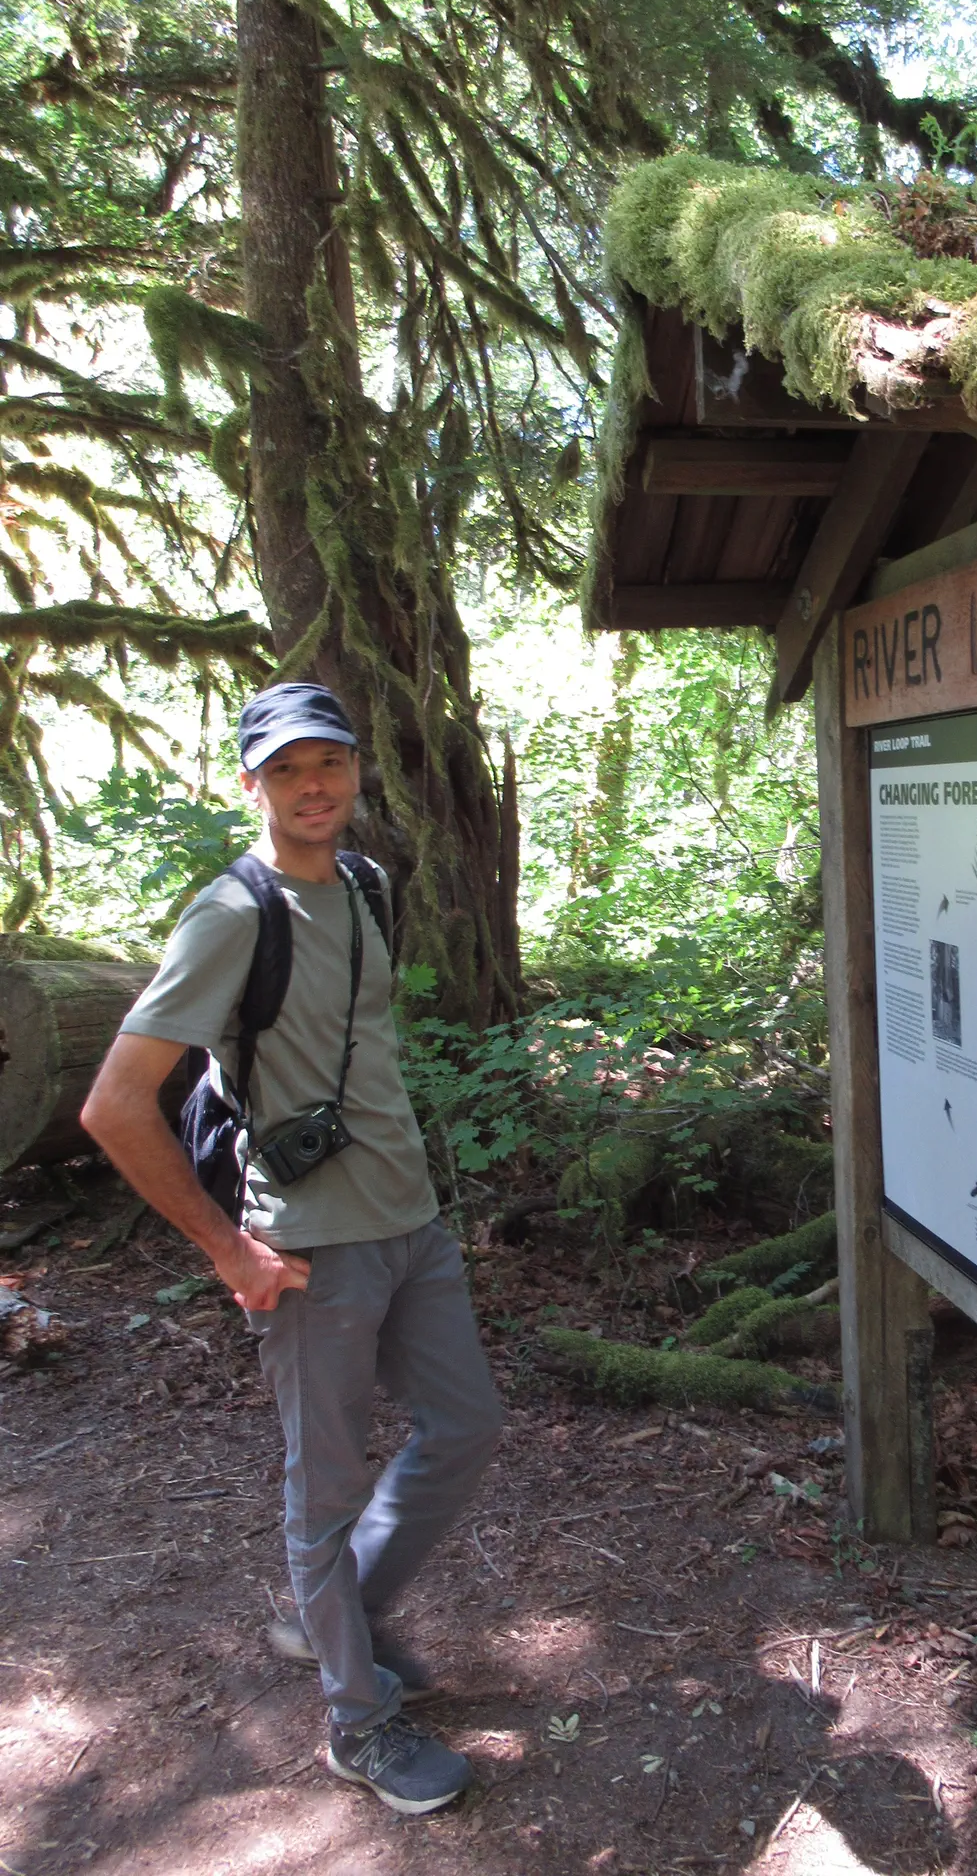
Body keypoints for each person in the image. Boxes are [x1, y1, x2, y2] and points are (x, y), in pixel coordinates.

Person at [81, 681, 503, 1816]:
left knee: (466, 1423)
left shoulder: (365, 884)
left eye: (330, 762)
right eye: (285, 768)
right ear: (250, 783)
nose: (313, 785)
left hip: (410, 1222)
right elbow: (114, 1104)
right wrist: (231, 1252)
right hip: (311, 1248)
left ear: (356, 769)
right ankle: (358, 1723)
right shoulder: (232, 913)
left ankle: (339, 1617)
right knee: (326, 1491)